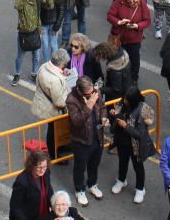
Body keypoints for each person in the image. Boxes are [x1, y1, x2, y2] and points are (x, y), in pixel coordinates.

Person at [109, 86, 156, 204]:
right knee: (122, 162)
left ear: (134, 100)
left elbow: (139, 134)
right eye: (124, 98)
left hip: (136, 146)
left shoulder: (141, 111)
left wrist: (125, 126)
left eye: (127, 100)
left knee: (138, 167)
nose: (124, 101)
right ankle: (121, 180)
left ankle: (140, 189)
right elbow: (117, 116)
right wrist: (113, 114)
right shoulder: (123, 104)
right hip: (122, 141)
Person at [67, 75, 106, 207]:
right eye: (88, 94)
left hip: (97, 136)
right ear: (81, 91)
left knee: (94, 163)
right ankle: (79, 189)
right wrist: (88, 107)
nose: (92, 95)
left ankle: (92, 184)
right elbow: (77, 121)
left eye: (92, 92)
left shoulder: (95, 92)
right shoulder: (71, 100)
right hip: (81, 140)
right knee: (80, 166)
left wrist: (104, 118)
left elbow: (102, 108)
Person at [10, 149, 55, 220]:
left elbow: (49, 189)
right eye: (39, 167)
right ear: (32, 165)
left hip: (42, 215)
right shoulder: (22, 181)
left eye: (44, 167)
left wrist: (55, 204)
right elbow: (15, 207)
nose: (42, 170)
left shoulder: (46, 172)